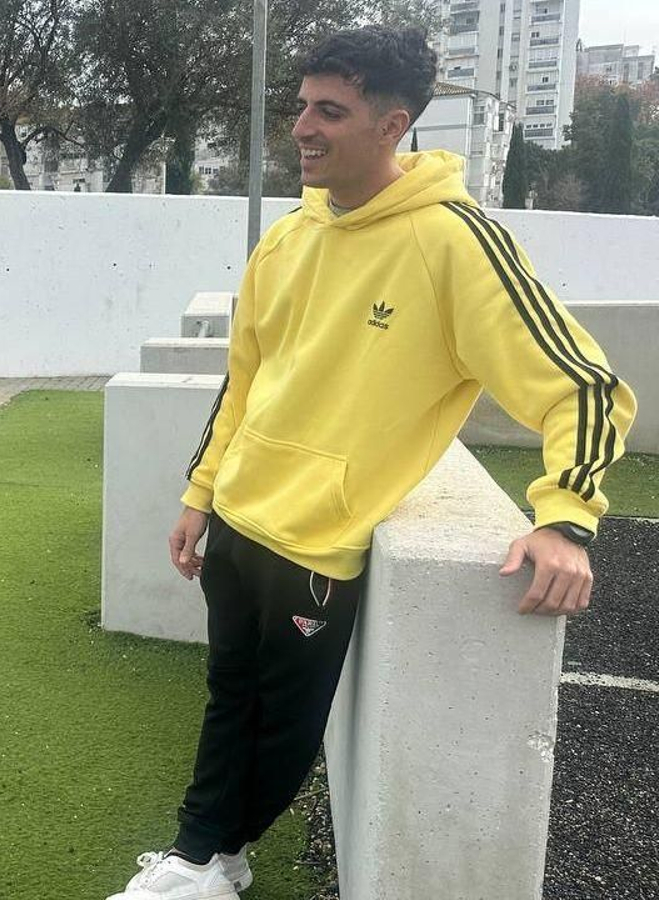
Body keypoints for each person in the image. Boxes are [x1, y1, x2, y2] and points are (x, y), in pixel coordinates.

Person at [110, 26, 635, 900]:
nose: (302, 128)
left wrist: (565, 517)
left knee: (280, 727)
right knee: (228, 699)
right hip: (238, 518)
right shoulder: (288, 237)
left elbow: (585, 387)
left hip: (320, 544)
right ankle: (207, 857)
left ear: (393, 125)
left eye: (330, 111)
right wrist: (200, 493)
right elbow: (245, 381)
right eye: (302, 105)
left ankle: (204, 861)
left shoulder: (456, 244)